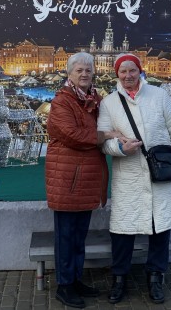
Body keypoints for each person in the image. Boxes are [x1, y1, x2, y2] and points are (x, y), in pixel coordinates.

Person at [98, 53, 171, 304]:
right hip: (128, 176)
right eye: (123, 72)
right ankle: (119, 278)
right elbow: (104, 141)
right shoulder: (109, 103)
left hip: (161, 173)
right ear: (116, 74)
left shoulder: (159, 96)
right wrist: (120, 149)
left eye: (132, 70)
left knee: (160, 228)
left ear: (140, 71)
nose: (128, 76)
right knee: (122, 230)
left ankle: (155, 277)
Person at [45, 52, 124, 309]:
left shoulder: (96, 99)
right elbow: (71, 134)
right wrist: (105, 134)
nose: (84, 74)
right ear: (69, 74)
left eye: (88, 70)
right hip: (68, 178)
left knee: (79, 235)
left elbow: (109, 119)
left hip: (85, 177)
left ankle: (75, 279)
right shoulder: (62, 102)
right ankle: (64, 286)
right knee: (66, 236)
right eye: (79, 70)